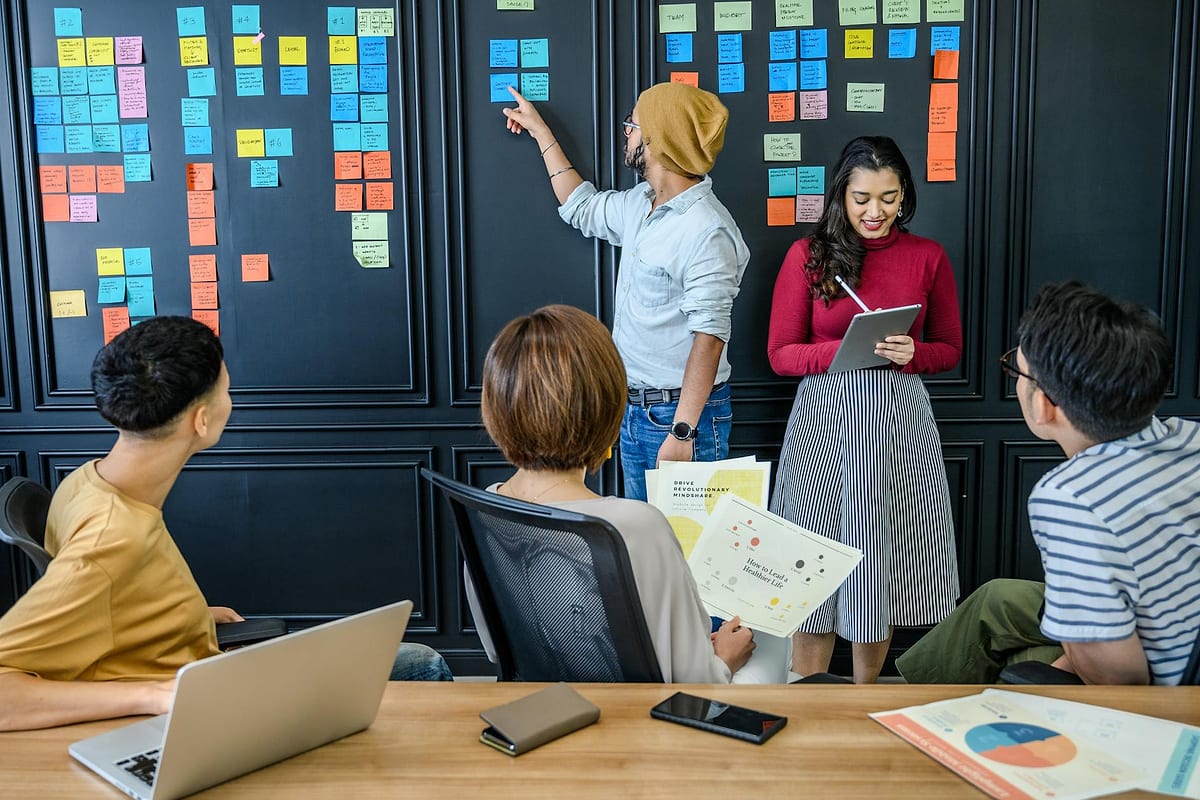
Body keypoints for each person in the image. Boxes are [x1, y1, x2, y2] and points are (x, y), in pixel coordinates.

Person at [0, 318, 447, 732]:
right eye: (227, 391)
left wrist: (183, 616)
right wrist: (152, 694)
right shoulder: (114, 538)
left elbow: (111, 601)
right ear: (201, 420)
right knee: (422, 663)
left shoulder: (88, 481)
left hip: (199, 660)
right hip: (203, 704)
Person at [897, 282, 1200, 685]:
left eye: (1016, 370)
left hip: (1166, 697)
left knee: (1024, 662)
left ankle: (923, 711)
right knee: (997, 598)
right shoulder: (1188, 436)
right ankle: (911, 696)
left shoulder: (1069, 498)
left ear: (1043, 405)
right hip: (1163, 630)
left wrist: (1060, 662)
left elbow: (1119, 680)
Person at [473, 304, 791, 683]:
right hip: (641, 714)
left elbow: (496, 648)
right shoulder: (637, 524)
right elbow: (696, 681)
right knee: (772, 640)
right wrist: (724, 657)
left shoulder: (485, 507)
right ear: (607, 410)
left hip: (540, 702)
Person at [766, 136, 963, 683]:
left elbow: (950, 348)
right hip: (823, 424)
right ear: (841, 196)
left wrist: (912, 352)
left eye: (888, 198)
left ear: (905, 195)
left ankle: (865, 696)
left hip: (900, 426)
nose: (875, 211)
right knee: (812, 563)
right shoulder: (808, 255)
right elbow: (780, 353)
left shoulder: (928, 256)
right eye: (861, 199)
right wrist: (844, 350)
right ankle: (806, 692)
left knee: (881, 564)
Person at [501, 82, 750, 501]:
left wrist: (683, 431)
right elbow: (581, 206)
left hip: (679, 417)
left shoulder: (707, 229)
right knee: (645, 538)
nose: (626, 132)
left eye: (632, 125)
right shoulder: (642, 203)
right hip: (633, 411)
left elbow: (709, 338)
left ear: (658, 138)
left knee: (684, 543)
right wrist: (542, 132)